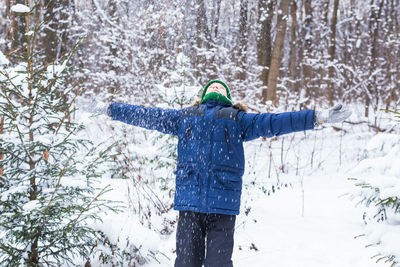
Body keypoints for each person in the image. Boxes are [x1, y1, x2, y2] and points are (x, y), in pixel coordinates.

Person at [82, 80, 351, 267]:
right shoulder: (185, 118)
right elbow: (146, 115)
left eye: (220, 86)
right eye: (212, 85)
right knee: (186, 263)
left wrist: (319, 116)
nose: (216, 87)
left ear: (228, 97)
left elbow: (278, 121)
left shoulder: (238, 120)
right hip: (190, 205)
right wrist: (109, 109)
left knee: (218, 264)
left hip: (222, 207)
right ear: (202, 95)